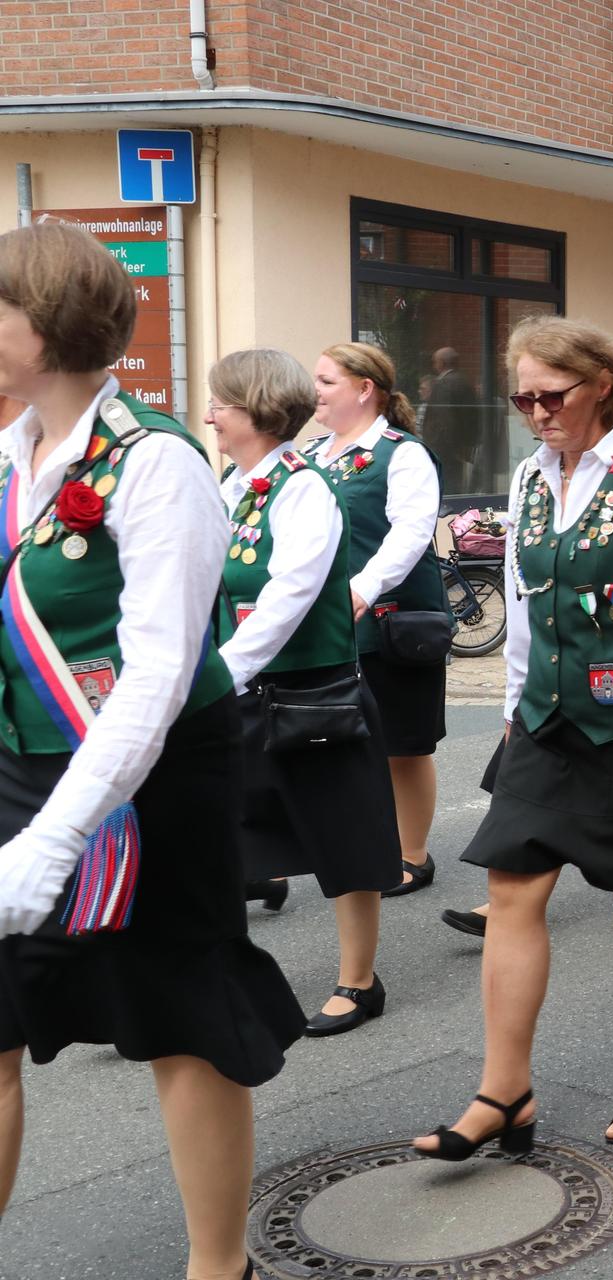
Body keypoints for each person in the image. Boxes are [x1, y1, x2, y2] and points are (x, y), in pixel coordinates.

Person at [0, 220, 303, 1279]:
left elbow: (158, 677)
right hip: (21, 761)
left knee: (181, 1012)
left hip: (155, 773)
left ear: (41, 325)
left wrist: (55, 838)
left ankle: (220, 1265)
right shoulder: (11, 451)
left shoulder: (156, 461)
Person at [417, 315, 613, 1158]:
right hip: (545, 722)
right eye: (522, 397)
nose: (536, 411)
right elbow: (524, 601)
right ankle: (504, 1089)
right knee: (513, 892)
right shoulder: (529, 479)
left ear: (601, 384)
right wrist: (516, 708)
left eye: (550, 395)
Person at [210, 349, 403, 1036]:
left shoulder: (303, 488)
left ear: (257, 409)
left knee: (342, 838)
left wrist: (220, 670)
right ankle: (213, 977)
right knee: (227, 832)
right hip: (244, 684)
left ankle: (360, 980)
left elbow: (288, 593)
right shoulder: (232, 486)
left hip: (310, 694)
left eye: (221, 404)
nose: (210, 416)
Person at [304, 343, 449, 898]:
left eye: (326, 381)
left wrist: (363, 587)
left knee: (403, 743)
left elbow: (411, 532)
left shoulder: (402, 453)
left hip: (392, 619)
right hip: (329, 622)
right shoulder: (315, 454)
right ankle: (360, 840)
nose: (315, 391)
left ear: (365, 389)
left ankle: (412, 853)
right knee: (346, 740)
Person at [422, 347, 481, 495]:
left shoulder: (444, 383)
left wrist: (447, 445)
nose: (434, 365)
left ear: (441, 363)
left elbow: (444, 417)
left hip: (445, 447)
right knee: (456, 480)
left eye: (435, 361)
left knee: (447, 483)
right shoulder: (465, 381)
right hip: (460, 444)